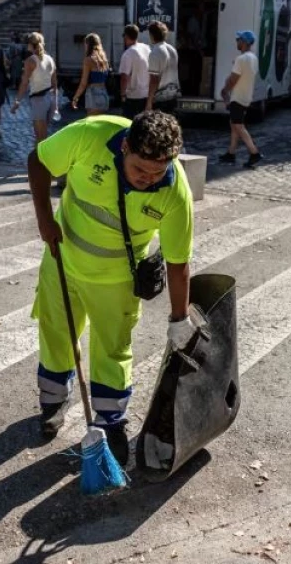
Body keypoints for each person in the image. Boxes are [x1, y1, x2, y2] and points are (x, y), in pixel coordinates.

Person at [26, 110, 196, 466]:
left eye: (157, 173)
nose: (148, 181)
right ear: (124, 147)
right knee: (55, 331)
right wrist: (44, 217)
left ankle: (110, 421)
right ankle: (53, 402)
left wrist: (179, 318)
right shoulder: (90, 136)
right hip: (63, 260)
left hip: (117, 279)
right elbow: (38, 161)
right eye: (140, 170)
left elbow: (179, 264)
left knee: (112, 348)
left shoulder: (175, 192)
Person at [218, 30, 263, 169]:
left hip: (237, 97)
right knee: (234, 125)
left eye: (238, 40)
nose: (236, 42)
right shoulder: (253, 58)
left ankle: (254, 152)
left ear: (243, 42)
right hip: (246, 96)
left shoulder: (241, 59)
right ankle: (231, 153)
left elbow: (233, 79)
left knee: (238, 126)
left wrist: (225, 90)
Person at [11, 32, 58, 148]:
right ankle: (42, 161)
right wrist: (56, 104)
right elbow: (55, 84)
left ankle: (40, 162)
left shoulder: (30, 61)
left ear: (31, 45)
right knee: (43, 135)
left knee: (40, 137)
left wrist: (17, 101)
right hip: (49, 99)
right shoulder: (50, 59)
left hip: (38, 100)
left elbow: (24, 83)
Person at [70, 33, 110, 116]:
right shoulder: (104, 59)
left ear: (88, 45)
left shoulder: (88, 60)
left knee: (92, 124)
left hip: (93, 94)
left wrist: (75, 98)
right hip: (104, 93)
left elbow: (83, 83)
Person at [145, 21, 180, 115]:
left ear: (152, 35)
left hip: (161, 99)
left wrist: (149, 102)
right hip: (173, 96)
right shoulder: (172, 49)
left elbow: (154, 80)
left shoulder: (155, 52)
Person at [118, 24, 150, 119]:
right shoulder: (146, 48)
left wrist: (123, 95)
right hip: (146, 94)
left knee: (129, 124)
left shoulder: (128, 54)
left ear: (126, 36)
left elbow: (124, 77)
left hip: (133, 96)